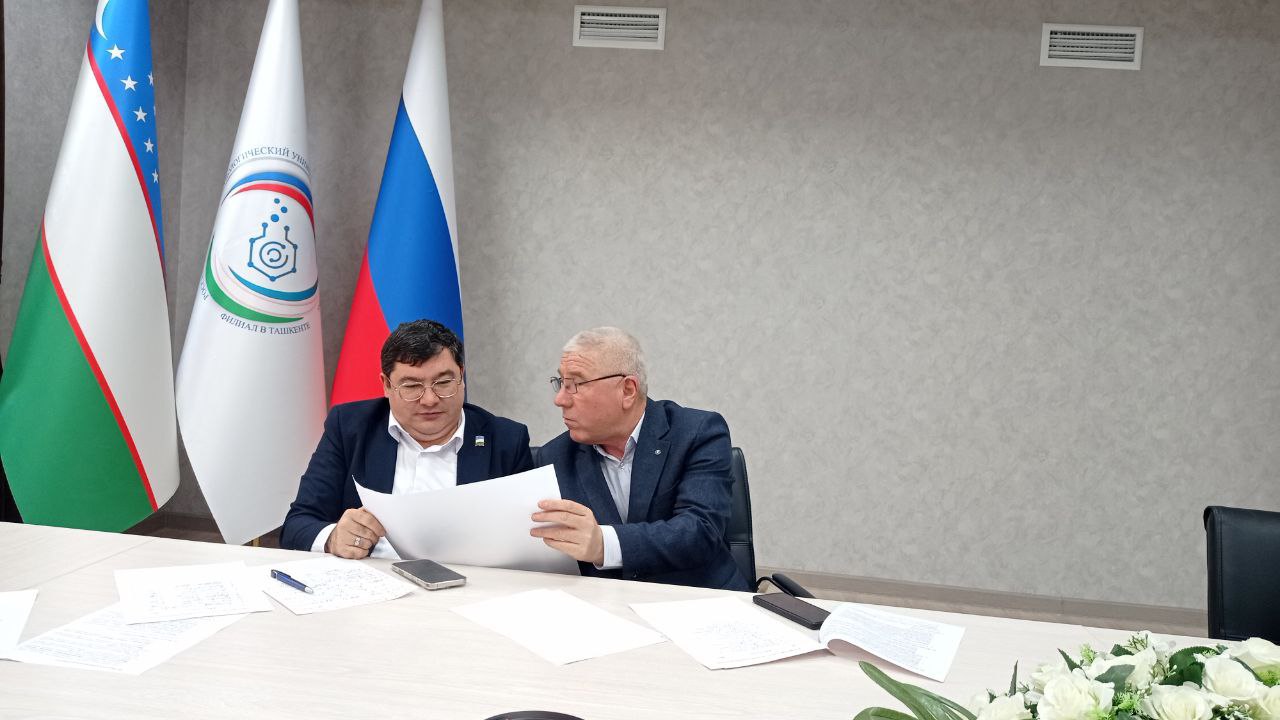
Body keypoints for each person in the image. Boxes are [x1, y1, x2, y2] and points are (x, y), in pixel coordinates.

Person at [281, 319, 533, 558]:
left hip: (469, 583)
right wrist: (333, 538)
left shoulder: (506, 441)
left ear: (461, 377)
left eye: (443, 383)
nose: (430, 399)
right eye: (412, 386)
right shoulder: (350, 428)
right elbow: (297, 525)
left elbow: (527, 541)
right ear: (386, 385)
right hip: (373, 579)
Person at [531, 327, 750, 590]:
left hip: (697, 597)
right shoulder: (555, 456)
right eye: (561, 383)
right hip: (606, 603)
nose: (560, 400)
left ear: (627, 390)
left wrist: (604, 544)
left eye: (575, 384)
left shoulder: (697, 432)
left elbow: (700, 531)